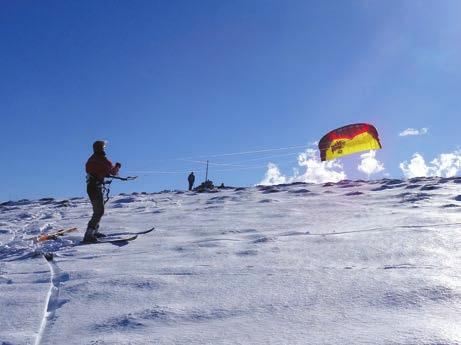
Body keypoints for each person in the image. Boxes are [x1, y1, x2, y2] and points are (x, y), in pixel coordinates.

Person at [83, 140, 121, 243]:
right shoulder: (103, 160)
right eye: (104, 147)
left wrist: (102, 174)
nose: (104, 149)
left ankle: (94, 231)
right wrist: (117, 166)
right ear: (100, 148)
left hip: (91, 187)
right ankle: (89, 235)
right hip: (95, 187)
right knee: (99, 211)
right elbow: (112, 172)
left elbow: (92, 170)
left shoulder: (91, 159)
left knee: (98, 210)